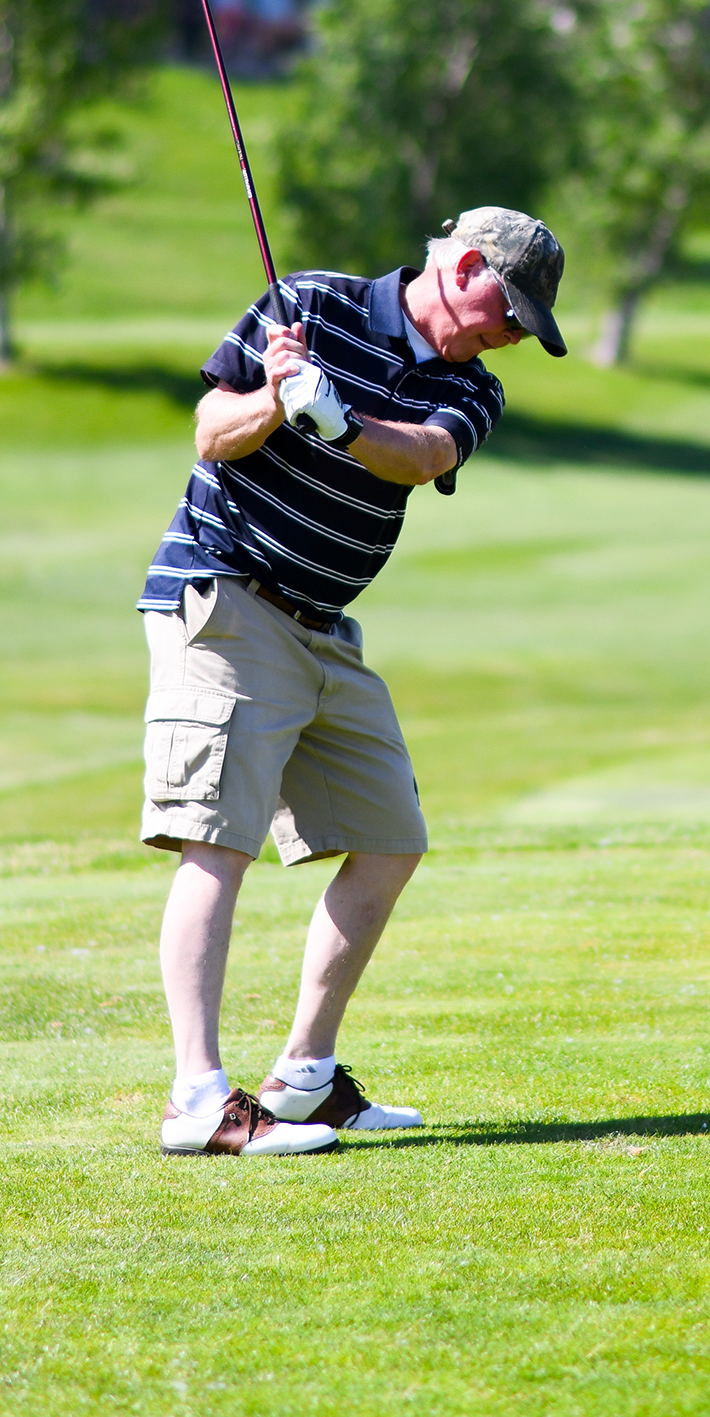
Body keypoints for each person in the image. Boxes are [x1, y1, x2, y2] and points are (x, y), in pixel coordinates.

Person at [137, 207, 568, 1155]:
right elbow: (213, 433)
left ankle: (303, 1078)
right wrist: (277, 401)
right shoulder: (310, 304)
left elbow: (421, 456)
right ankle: (198, 1100)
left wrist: (334, 415)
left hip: (326, 632)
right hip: (231, 597)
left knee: (388, 837)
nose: (511, 337)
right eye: (510, 311)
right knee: (216, 841)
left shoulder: (473, 386)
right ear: (462, 267)